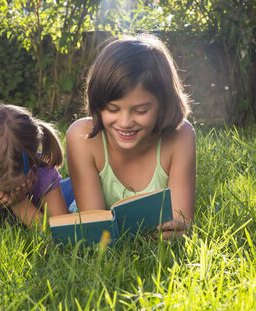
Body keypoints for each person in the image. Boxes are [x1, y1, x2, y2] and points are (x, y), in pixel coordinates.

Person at [65, 33, 196, 237]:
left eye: (140, 111)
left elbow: (180, 224)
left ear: (163, 106)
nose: (125, 122)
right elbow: (98, 233)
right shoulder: (82, 137)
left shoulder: (181, 135)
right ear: (98, 104)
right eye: (112, 109)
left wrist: (177, 230)